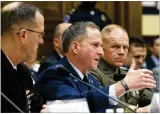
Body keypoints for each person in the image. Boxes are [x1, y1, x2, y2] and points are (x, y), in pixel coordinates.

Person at [34, 21, 156, 113]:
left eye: (101, 46)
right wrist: (124, 85)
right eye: (95, 45)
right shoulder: (54, 75)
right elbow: (77, 106)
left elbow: (106, 110)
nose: (101, 52)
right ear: (75, 47)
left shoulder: (89, 78)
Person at [89, 25, 153, 112]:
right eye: (115, 46)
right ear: (101, 47)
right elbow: (97, 103)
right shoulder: (92, 72)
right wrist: (135, 110)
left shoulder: (128, 73)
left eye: (125, 47)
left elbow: (150, 99)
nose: (122, 52)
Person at [1, 2, 44, 112]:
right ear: (23, 35)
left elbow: (36, 105)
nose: (41, 41)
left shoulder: (22, 69)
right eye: (40, 35)